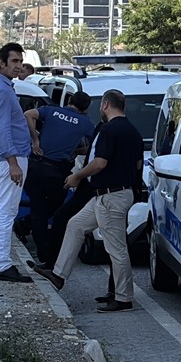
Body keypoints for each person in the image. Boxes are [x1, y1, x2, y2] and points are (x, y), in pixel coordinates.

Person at [35, 89, 143, 312]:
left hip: (111, 195)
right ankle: (58, 275)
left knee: (116, 248)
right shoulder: (133, 131)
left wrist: (77, 176)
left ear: (105, 105)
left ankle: (123, 298)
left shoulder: (109, 130)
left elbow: (100, 163)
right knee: (75, 225)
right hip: (108, 194)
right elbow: (138, 164)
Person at [0, 43, 32, 283]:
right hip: (11, 156)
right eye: (14, 62)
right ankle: (1, 264)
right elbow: (1, 128)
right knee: (7, 211)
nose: (19, 66)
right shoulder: (0, 89)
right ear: (1, 63)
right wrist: (13, 162)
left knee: (4, 209)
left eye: (20, 62)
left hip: (9, 154)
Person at [23, 91, 93, 267]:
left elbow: (28, 114)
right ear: (86, 108)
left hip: (36, 166)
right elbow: (94, 145)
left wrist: (35, 139)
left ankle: (39, 246)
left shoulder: (52, 111)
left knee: (38, 209)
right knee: (54, 209)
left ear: (69, 101)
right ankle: (46, 252)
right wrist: (77, 151)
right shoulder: (85, 122)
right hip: (56, 172)